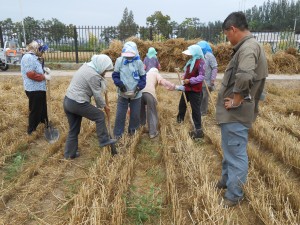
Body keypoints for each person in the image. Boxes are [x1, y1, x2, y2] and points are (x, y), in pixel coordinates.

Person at [216, 12, 268, 207]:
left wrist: (236, 100)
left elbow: (245, 75)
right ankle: (226, 181)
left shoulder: (248, 48)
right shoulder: (248, 46)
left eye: (227, 34)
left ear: (233, 29)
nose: (227, 39)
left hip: (236, 115)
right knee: (230, 150)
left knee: (236, 155)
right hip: (233, 116)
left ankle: (234, 195)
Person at [63, 54, 117, 159]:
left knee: (74, 130)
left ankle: (69, 154)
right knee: (100, 116)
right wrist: (105, 106)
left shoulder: (86, 66)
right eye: (105, 70)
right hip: (77, 102)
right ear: (101, 66)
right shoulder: (93, 75)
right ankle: (104, 140)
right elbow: (97, 95)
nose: (105, 72)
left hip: (68, 101)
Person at [112, 41, 146, 139]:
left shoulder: (139, 62)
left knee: (135, 114)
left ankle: (133, 132)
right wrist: (120, 84)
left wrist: (139, 87)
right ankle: (118, 134)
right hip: (123, 93)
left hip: (136, 93)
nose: (129, 57)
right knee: (120, 114)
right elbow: (115, 75)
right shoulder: (119, 61)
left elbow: (143, 77)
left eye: (131, 55)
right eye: (127, 55)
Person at [140, 67, 181, 138]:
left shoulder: (145, 74)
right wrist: (174, 87)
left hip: (139, 93)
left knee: (141, 112)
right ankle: (153, 132)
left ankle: (141, 128)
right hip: (149, 93)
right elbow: (163, 82)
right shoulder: (156, 74)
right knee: (152, 112)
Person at [21, 40, 51, 135]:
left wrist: (44, 70)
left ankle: (45, 122)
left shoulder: (34, 57)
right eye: (41, 50)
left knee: (42, 107)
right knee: (36, 109)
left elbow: (36, 69)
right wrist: (44, 77)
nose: (42, 52)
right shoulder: (28, 57)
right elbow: (30, 74)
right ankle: (31, 130)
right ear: (36, 49)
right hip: (34, 89)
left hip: (39, 88)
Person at [177, 44, 205, 139]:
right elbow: (187, 72)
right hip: (187, 88)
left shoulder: (201, 62)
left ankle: (198, 128)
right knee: (182, 105)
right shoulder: (191, 61)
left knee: (195, 109)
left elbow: (201, 77)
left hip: (195, 90)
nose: (190, 55)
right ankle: (179, 121)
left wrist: (190, 80)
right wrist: (184, 77)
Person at [197, 40, 218, 116]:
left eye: (202, 48)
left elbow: (215, 67)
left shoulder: (209, 55)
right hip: (199, 80)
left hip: (207, 81)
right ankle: (198, 111)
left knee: (204, 97)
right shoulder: (198, 55)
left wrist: (212, 79)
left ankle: (203, 113)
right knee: (199, 97)